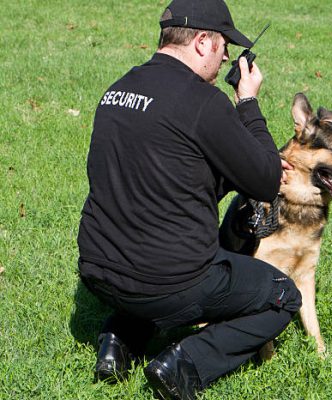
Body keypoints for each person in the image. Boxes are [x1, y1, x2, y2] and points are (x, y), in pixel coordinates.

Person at [77, 0, 301, 399]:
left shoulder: (118, 89)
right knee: (282, 296)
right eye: (223, 47)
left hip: (98, 268)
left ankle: (118, 340)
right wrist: (247, 103)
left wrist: (230, 174)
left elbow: (166, 176)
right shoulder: (203, 102)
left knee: (151, 268)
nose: (226, 58)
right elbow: (267, 179)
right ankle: (183, 364)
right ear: (201, 42)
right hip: (167, 281)